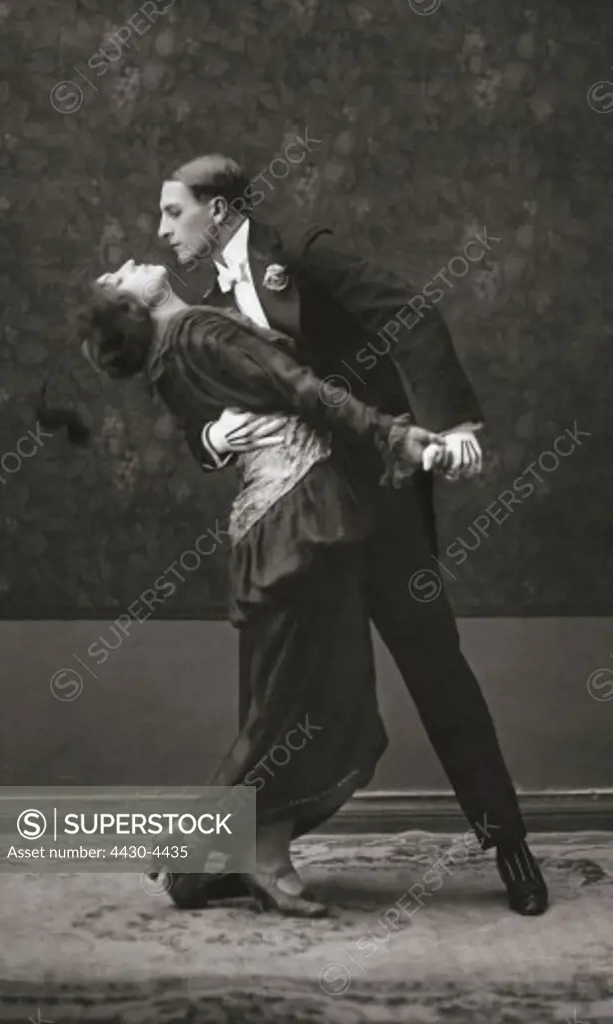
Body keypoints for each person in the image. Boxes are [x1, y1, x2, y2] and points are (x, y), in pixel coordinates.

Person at [156, 154, 549, 916]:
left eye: (175, 211)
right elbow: (195, 416)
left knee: (436, 667)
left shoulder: (302, 253)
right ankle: (246, 858)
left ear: (223, 209)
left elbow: (411, 312)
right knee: (271, 692)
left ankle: (510, 847)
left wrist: (453, 422)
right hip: (295, 524)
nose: (163, 227)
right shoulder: (202, 309)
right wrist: (216, 435)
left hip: (383, 502)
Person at [76, 259, 449, 917]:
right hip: (299, 521)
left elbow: (256, 405)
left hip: (275, 525)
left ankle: (215, 860)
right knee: (304, 706)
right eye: (121, 274)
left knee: (299, 703)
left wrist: (222, 434)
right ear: (130, 306)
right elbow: (302, 387)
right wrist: (394, 434)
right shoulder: (197, 335)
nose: (133, 259)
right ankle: (244, 856)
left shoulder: (170, 359)